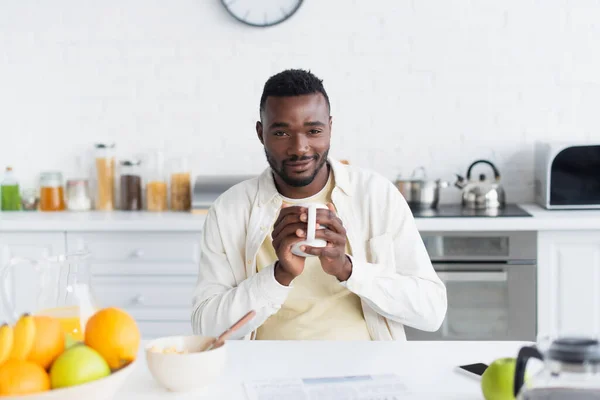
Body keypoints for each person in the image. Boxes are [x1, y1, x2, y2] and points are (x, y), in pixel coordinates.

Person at [191, 69, 447, 341]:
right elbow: (206, 328)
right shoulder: (229, 210)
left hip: (366, 365)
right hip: (267, 367)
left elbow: (431, 311)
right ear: (260, 133)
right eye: (281, 133)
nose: (299, 148)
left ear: (330, 128)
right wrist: (280, 275)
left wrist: (347, 268)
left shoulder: (377, 195)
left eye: (313, 130)